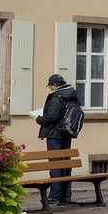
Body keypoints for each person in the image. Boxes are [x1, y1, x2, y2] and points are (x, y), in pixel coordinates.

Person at [35, 73, 79, 205]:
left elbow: (51, 117)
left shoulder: (57, 96)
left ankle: (55, 195)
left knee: (55, 165)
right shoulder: (71, 94)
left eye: (50, 86)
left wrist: (39, 119)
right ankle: (66, 195)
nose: (50, 89)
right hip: (67, 133)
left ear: (54, 85)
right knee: (65, 165)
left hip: (55, 134)